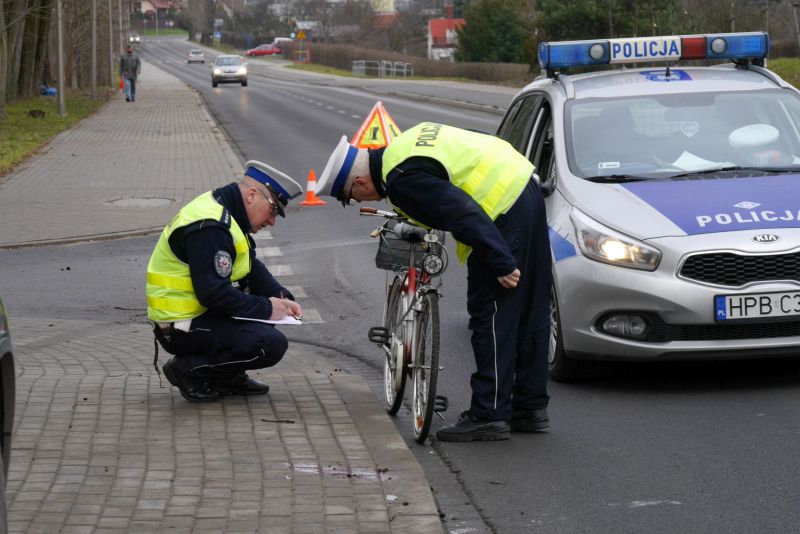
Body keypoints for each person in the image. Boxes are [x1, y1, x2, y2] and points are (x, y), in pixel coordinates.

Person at [316, 122, 551, 442]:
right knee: (529, 309)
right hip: (524, 187)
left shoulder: (400, 180)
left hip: (500, 211)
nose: (357, 202)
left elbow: (459, 209)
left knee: (492, 313)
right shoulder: (401, 149)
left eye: (351, 196)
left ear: (359, 181)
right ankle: (529, 406)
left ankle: (489, 414)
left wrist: (500, 258)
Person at [146, 161, 304, 403]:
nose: (272, 221)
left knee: (265, 320)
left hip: (197, 316)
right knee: (269, 343)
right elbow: (213, 293)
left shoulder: (226, 212)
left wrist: (281, 296)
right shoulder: (210, 226)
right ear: (251, 195)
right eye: (273, 211)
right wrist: (269, 308)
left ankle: (227, 376)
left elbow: (249, 266)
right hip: (179, 326)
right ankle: (188, 370)